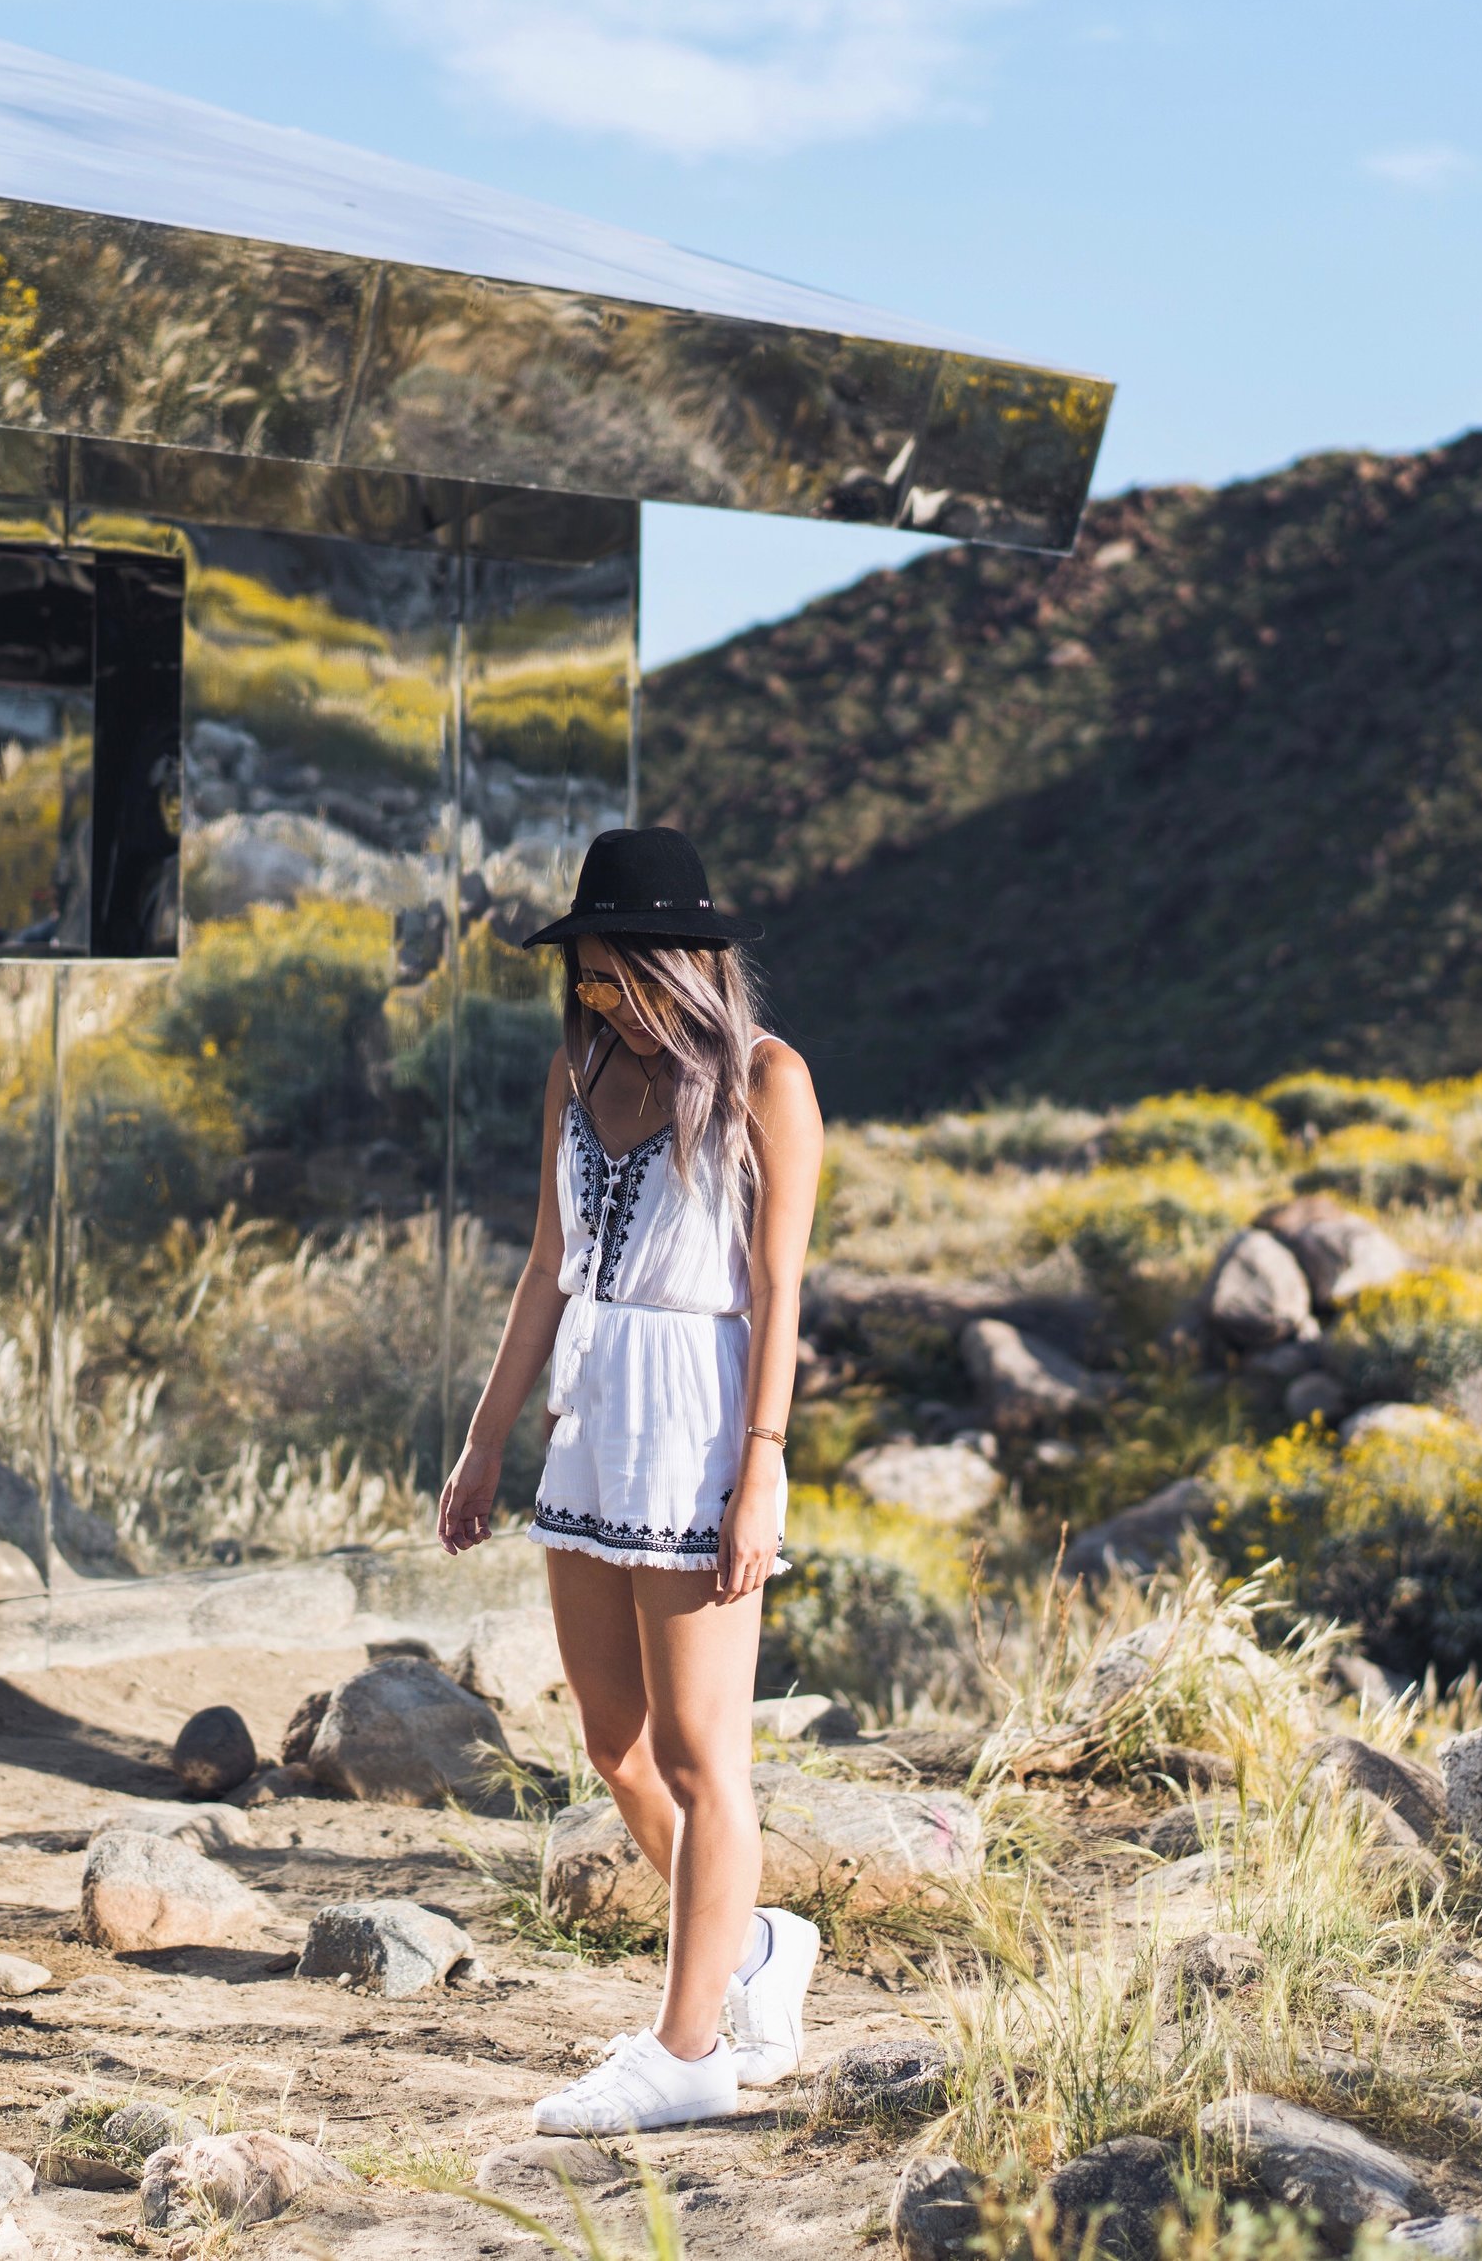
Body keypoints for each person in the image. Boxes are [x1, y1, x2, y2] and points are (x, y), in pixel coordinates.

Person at [437, 825, 825, 2134]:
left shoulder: (768, 1081)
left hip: (698, 1425)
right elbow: (547, 1267)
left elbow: (778, 1291)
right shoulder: (580, 1066)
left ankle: (688, 2048)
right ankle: (755, 1948)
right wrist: (485, 1438)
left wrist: (763, 1469)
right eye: (586, 976)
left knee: (705, 1756)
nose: (597, 997)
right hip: (592, 1419)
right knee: (614, 1744)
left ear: (680, 963)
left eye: (615, 973)